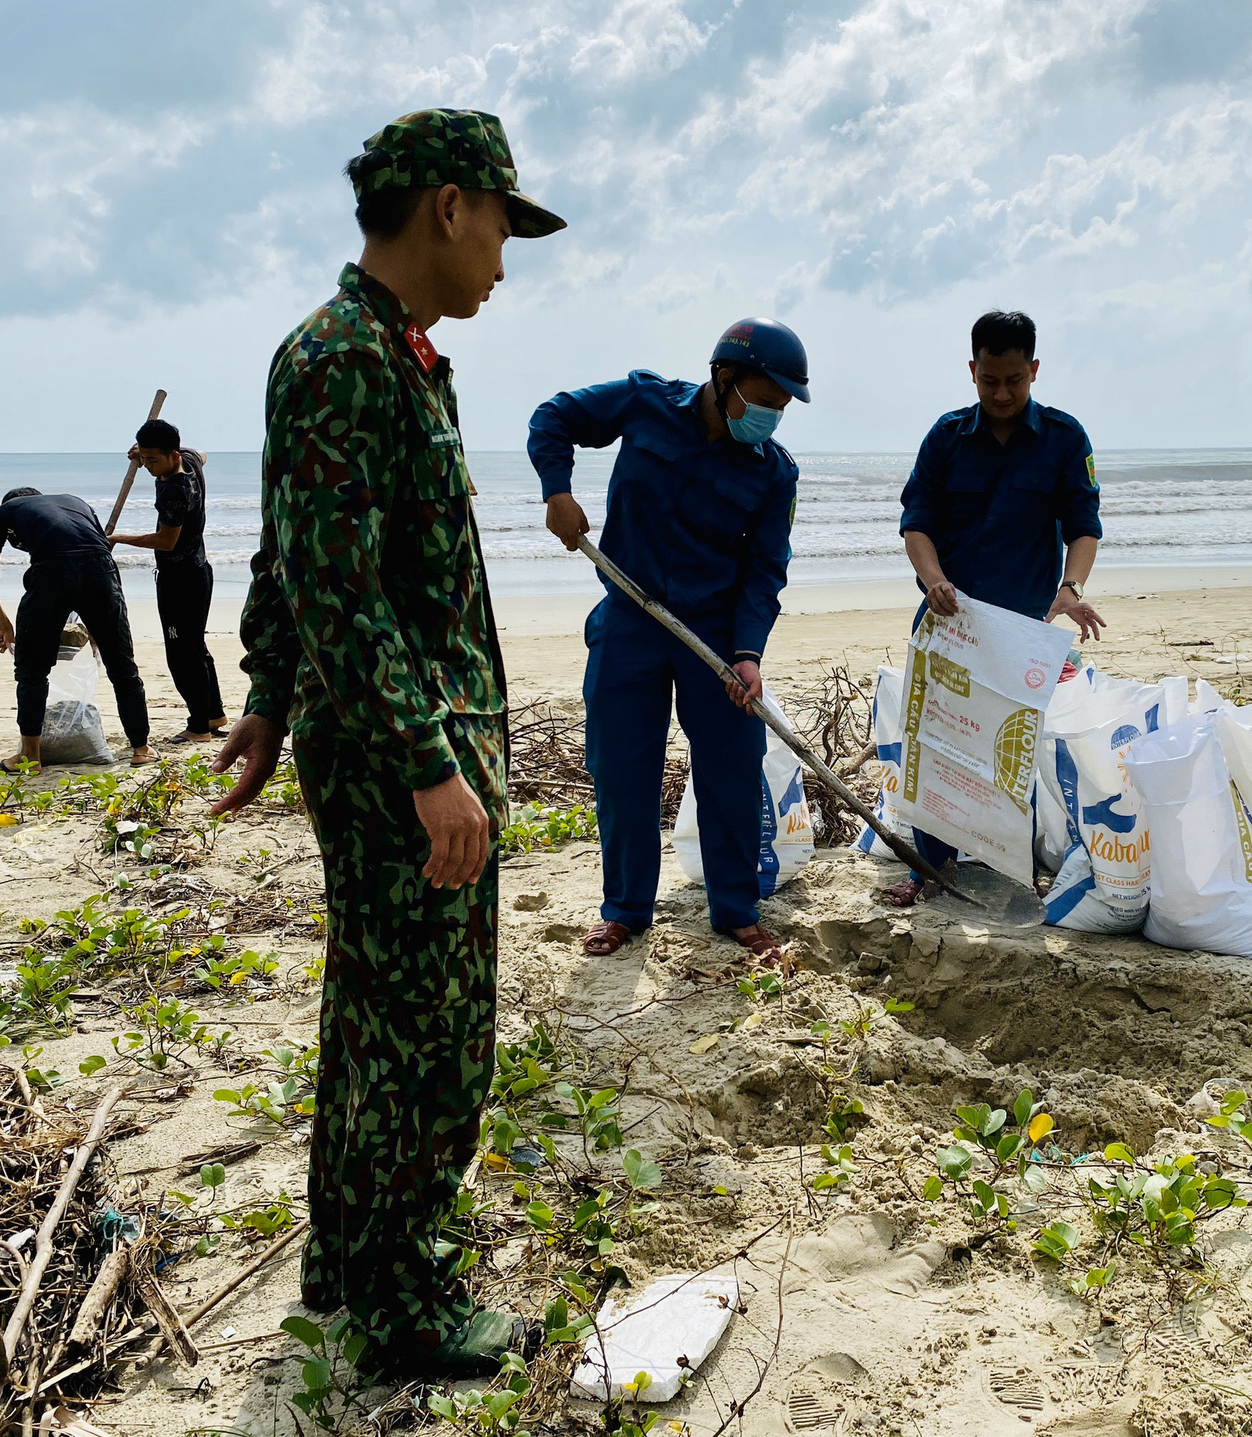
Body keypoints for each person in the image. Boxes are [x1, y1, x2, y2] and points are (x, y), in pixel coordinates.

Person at [208, 109, 563, 1382]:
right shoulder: (342, 357)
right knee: (425, 1034)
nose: (504, 264)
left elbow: (299, 545)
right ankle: (404, 1305)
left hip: (404, 743)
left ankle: (356, 1267)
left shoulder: (394, 355)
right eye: (502, 229)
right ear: (449, 207)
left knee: (384, 1019)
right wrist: (429, 769)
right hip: (401, 763)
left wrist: (262, 689)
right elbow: (337, 588)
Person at [529, 318, 804, 963]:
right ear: (724, 377)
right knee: (623, 766)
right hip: (630, 615)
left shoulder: (773, 473)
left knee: (733, 765)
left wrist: (748, 653)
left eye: (781, 409)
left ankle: (735, 908)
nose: (769, 417)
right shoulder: (647, 402)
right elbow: (554, 418)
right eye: (763, 402)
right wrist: (557, 491)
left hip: (714, 634)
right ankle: (626, 909)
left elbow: (765, 572)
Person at [885, 309, 1106, 907]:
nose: (1003, 394)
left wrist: (1072, 589)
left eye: (1015, 380)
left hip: (1021, 631)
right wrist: (933, 581)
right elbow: (916, 526)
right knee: (934, 744)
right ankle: (931, 870)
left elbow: (1084, 527)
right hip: (948, 622)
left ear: (1034, 370)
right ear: (972, 371)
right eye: (990, 381)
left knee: (1012, 748)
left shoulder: (1064, 439)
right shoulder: (946, 437)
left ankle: (1012, 866)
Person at [0, 487, 154, 770]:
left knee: (31, 672)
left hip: (54, 573)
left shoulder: (1, 514)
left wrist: (5, 625)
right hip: (102, 573)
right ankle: (141, 748)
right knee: (122, 666)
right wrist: (98, 626)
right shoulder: (76, 503)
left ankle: (30, 756)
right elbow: (93, 558)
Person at [108, 418, 227, 742]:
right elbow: (201, 453)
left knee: (180, 654)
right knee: (195, 646)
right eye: (143, 459)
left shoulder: (174, 490)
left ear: (172, 456)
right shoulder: (189, 460)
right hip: (199, 570)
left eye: (153, 460)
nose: (146, 466)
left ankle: (198, 727)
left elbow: (165, 541)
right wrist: (142, 453)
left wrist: (119, 538)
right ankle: (214, 715)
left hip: (181, 579)